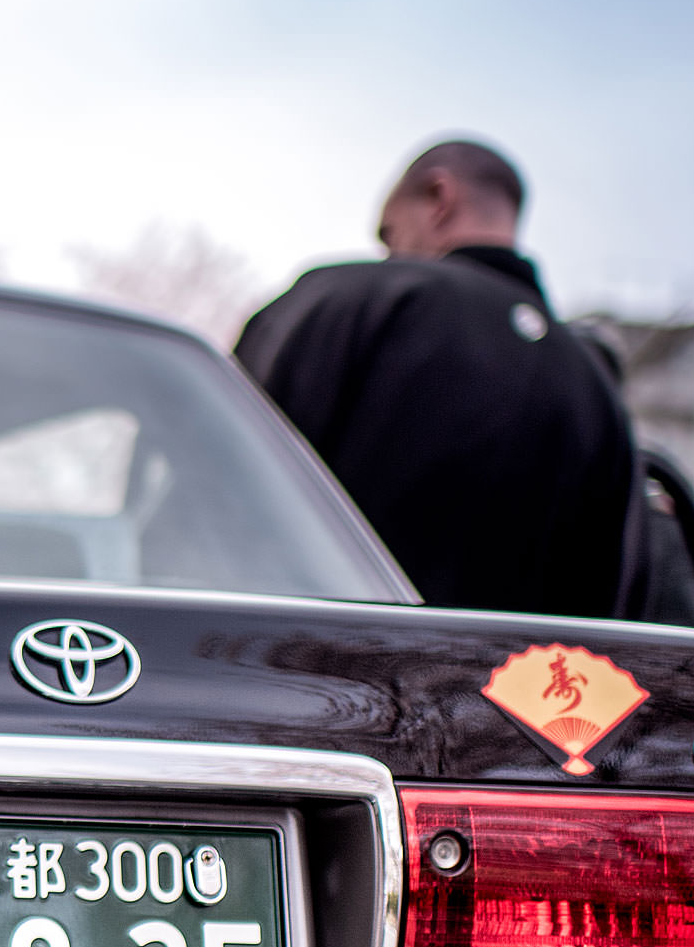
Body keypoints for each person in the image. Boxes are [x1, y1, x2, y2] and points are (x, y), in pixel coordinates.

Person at [233, 139, 639, 618]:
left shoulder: (347, 303)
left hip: (312, 673)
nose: (388, 253)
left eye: (389, 234)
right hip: (511, 688)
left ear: (438, 197)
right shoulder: (596, 381)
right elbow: (614, 590)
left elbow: (221, 483)